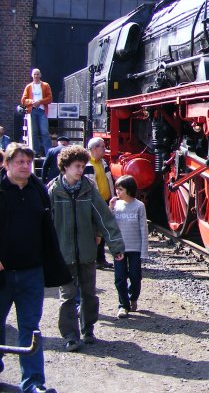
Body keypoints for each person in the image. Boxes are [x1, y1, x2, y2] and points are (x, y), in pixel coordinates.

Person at [0, 143, 67, 393]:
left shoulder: (38, 190)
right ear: (7, 164)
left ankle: (33, 383)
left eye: (28, 162)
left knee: (31, 328)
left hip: (31, 273)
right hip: (3, 274)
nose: (25, 166)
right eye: (19, 162)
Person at [48, 145, 124, 352]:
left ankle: (88, 329)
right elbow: (45, 223)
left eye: (82, 166)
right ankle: (71, 336)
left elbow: (104, 218)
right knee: (67, 296)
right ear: (65, 167)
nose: (81, 170)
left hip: (87, 252)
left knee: (89, 294)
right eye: (77, 166)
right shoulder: (53, 191)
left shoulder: (88, 190)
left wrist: (116, 246)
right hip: (64, 254)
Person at [110, 176, 148, 318]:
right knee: (119, 277)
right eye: (117, 189)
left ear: (129, 190)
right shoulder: (116, 205)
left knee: (135, 276)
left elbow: (143, 228)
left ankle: (133, 297)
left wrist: (144, 250)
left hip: (135, 248)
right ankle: (123, 305)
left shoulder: (139, 206)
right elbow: (111, 225)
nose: (117, 192)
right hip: (120, 247)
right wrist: (111, 208)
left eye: (120, 189)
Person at [83, 138, 115, 269]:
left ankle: (101, 259)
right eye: (102, 146)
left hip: (105, 200)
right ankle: (94, 259)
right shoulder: (85, 164)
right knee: (94, 232)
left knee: (102, 231)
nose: (104, 148)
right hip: (94, 201)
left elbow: (109, 180)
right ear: (94, 148)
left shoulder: (103, 162)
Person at [20, 69, 53, 157]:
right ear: (32, 75)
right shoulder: (29, 86)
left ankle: (48, 153)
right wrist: (32, 101)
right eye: (35, 74)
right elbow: (23, 100)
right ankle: (36, 152)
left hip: (42, 111)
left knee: (44, 132)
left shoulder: (45, 85)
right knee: (33, 132)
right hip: (32, 111)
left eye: (38, 74)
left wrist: (40, 102)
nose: (36, 76)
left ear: (40, 75)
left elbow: (50, 98)